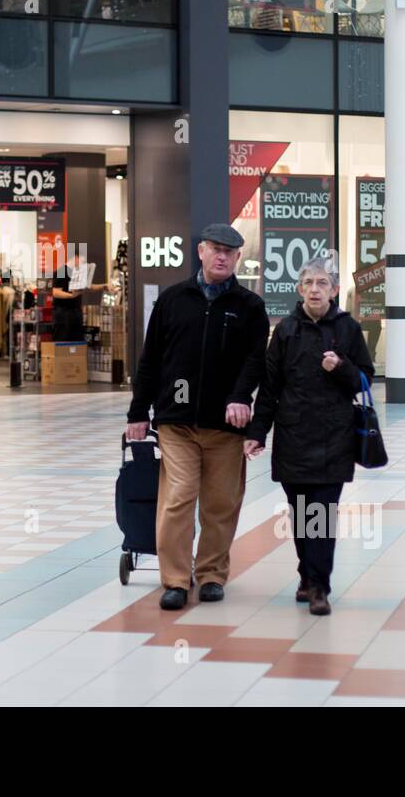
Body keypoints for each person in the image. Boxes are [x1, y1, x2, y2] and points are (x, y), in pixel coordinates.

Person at [126, 224, 269, 611]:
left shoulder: (249, 307)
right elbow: (150, 359)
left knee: (221, 503)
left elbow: (257, 361)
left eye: (230, 251)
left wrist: (241, 398)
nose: (222, 256)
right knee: (178, 497)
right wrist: (138, 412)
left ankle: (210, 575)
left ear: (239, 258)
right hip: (176, 423)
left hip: (226, 427)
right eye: (216, 249)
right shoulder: (173, 300)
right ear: (201, 252)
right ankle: (174, 579)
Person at [246, 256, 376, 617]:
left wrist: (343, 368)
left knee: (322, 511)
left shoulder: (348, 329)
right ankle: (307, 573)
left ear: (334, 290)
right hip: (293, 436)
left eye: (322, 283)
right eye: (309, 283)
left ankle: (319, 586)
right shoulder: (286, 331)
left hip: (335, 436)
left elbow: (365, 378)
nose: (315, 289)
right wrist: (257, 433)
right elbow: (269, 388)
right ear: (300, 290)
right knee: (302, 514)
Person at [50, 251, 113, 341]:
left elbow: (89, 286)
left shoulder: (77, 273)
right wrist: (71, 295)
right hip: (63, 313)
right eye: (82, 262)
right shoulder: (62, 271)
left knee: (76, 339)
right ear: (75, 258)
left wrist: (104, 286)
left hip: (76, 312)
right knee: (63, 339)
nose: (83, 265)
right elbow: (56, 292)